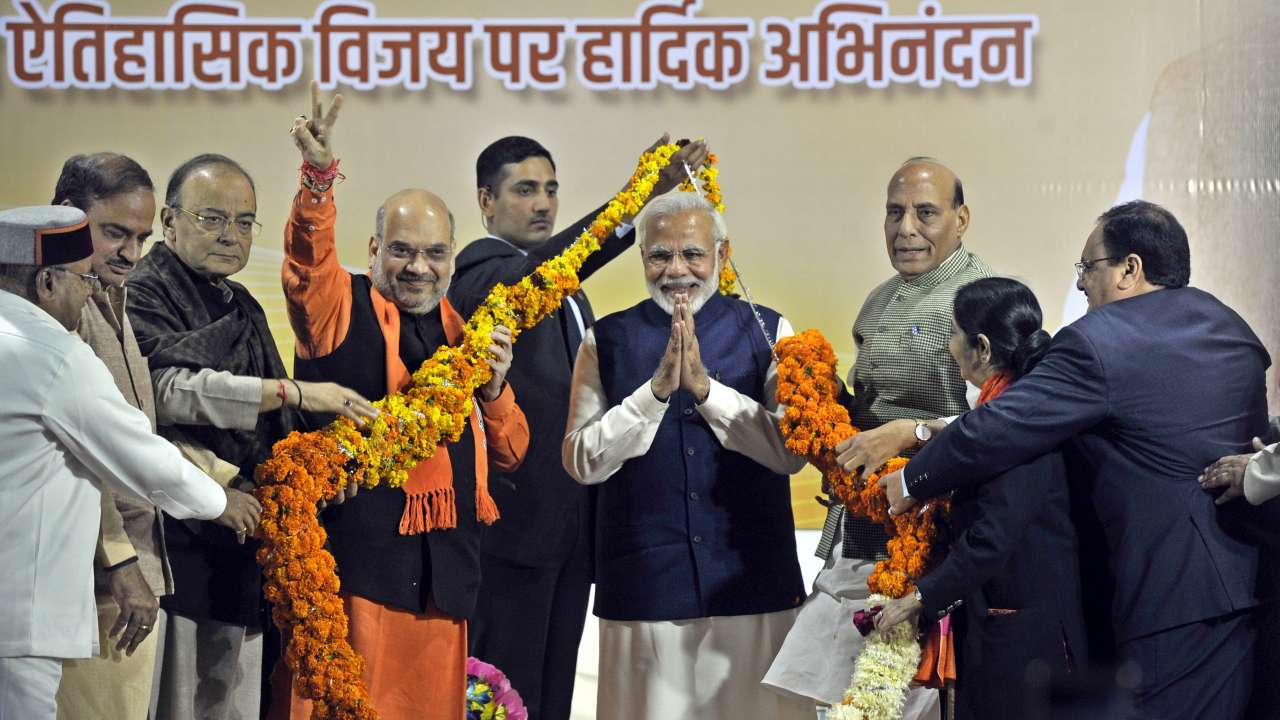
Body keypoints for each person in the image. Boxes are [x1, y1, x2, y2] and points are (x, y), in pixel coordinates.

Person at [885, 200, 1271, 718]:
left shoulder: (1101, 343)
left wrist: (911, 477)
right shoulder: (1233, 331)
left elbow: (1006, 424)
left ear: (1130, 269)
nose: (1082, 285)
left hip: (1163, 599)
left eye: (1088, 267)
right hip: (1247, 579)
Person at [267, 85, 530, 720]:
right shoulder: (340, 308)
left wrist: (493, 388)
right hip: (351, 581)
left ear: (451, 259)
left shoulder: (466, 335)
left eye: (435, 253)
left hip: (443, 586)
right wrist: (319, 181)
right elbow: (306, 265)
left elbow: (513, 450)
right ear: (373, 251)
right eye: (402, 250)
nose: (418, 266)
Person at [452, 133, 707, 719]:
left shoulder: (568, 294)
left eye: (550, 190)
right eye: (524, 191)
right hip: (512, 534)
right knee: (501, 697)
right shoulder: (484, 276)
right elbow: (554, 267)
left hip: (568, 532)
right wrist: (639, 198)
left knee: (551, 697)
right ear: (486, 202)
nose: (542, 204)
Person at [125, 151, 376, 720]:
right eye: (212, 218)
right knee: (179, 701)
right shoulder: (143, 291)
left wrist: (318, 465)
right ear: (167, 221)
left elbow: (272, 428)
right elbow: (163, 395)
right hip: (177, 533)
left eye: (244, 222)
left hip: (245, 534)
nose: (230, 236)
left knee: (233, 699)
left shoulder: (239, 303)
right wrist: (290, 392)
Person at [562, 191, 813, 720]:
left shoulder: (768, 330)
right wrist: (652, 394)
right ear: (642, 258)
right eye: (659, 255)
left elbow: (792, 453)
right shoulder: (605, 339)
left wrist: (707, 392)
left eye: (692, 254)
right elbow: (582, 459)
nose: (676, 270)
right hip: (646, 586)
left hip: (752, 584)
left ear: (723, 255)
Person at [0, 204, 255, 720]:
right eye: (82, 279)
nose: (90, 292)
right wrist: (217, 500)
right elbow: (135, 454)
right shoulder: (54, 354)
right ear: (47, 282)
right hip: (22, 616)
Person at [764, 158, 990, 717]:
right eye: (894, 212)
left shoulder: (983, 297)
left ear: (961, 219)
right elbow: (864, 416)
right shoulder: (879, 301)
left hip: (932, 548)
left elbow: (1010, 421)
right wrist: (817, 403)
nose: (905, 228)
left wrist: (907, 435)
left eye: (925, 213)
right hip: (859, 534)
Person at [874, 277, 1087, 720]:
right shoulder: (1009, 410)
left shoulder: (1015, 425)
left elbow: (994, 536)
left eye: (953, 333)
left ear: (983, 348)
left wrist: (917, 599)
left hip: (1026, 641)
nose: (948, 345)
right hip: (1010, 629)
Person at [48, 152, 196, 720]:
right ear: (67, 215)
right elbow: (72, 454)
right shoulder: (54, 308)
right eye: (114, 233)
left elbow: (134, 436)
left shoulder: (114, 295)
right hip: (92, 583)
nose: (132, 254)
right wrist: (119, 560)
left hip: (133, 579)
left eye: (141, 236)